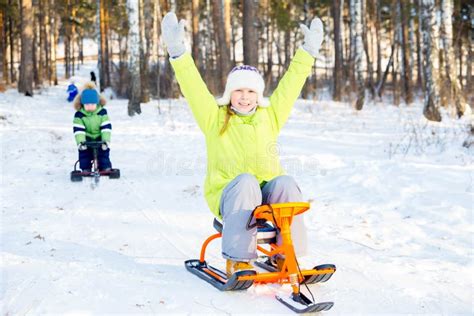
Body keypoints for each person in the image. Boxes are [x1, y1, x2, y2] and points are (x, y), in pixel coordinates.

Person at [161, 12, 324, 277]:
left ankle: (286, 254)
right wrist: (178, 52)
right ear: (229, 93)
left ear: (258, 95)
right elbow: (192, 87)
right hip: (230, 194)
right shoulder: (214, 117)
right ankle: (239, 260)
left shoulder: (269, 116)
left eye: (251, 92)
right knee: (246, 180)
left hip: (265, 195)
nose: (245, 97)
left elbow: (291, 85)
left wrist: (308, 52)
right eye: (239, 90)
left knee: (286, 183)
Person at [73, 82, 112, 172]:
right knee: (84, 153)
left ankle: (105, 166)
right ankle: (85, 168)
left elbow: (106, 128)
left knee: (103, 152)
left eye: (92, 104)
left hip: (100, 137)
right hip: (87, 138)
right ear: (83, 104)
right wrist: (81, 142)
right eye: (87, 105)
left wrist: (105, 141)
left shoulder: (102, 113)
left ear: (97, 103)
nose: (90, 107)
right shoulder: (79, 115)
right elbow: (78, 130)